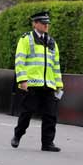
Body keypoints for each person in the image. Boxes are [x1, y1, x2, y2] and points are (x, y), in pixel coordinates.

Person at [11, 11, 64, 152]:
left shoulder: (52, 42)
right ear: (34, 24)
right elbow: (19, 60)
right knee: (27, 113)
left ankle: (47, 143)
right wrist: (22, 80)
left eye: (47, 23)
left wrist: (59, 85)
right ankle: (18, 135)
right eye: (43, 23)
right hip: (32, 84)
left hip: (49, 85)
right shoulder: (26, 39)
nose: (46, 25)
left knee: (50, 115)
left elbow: (56, 66)